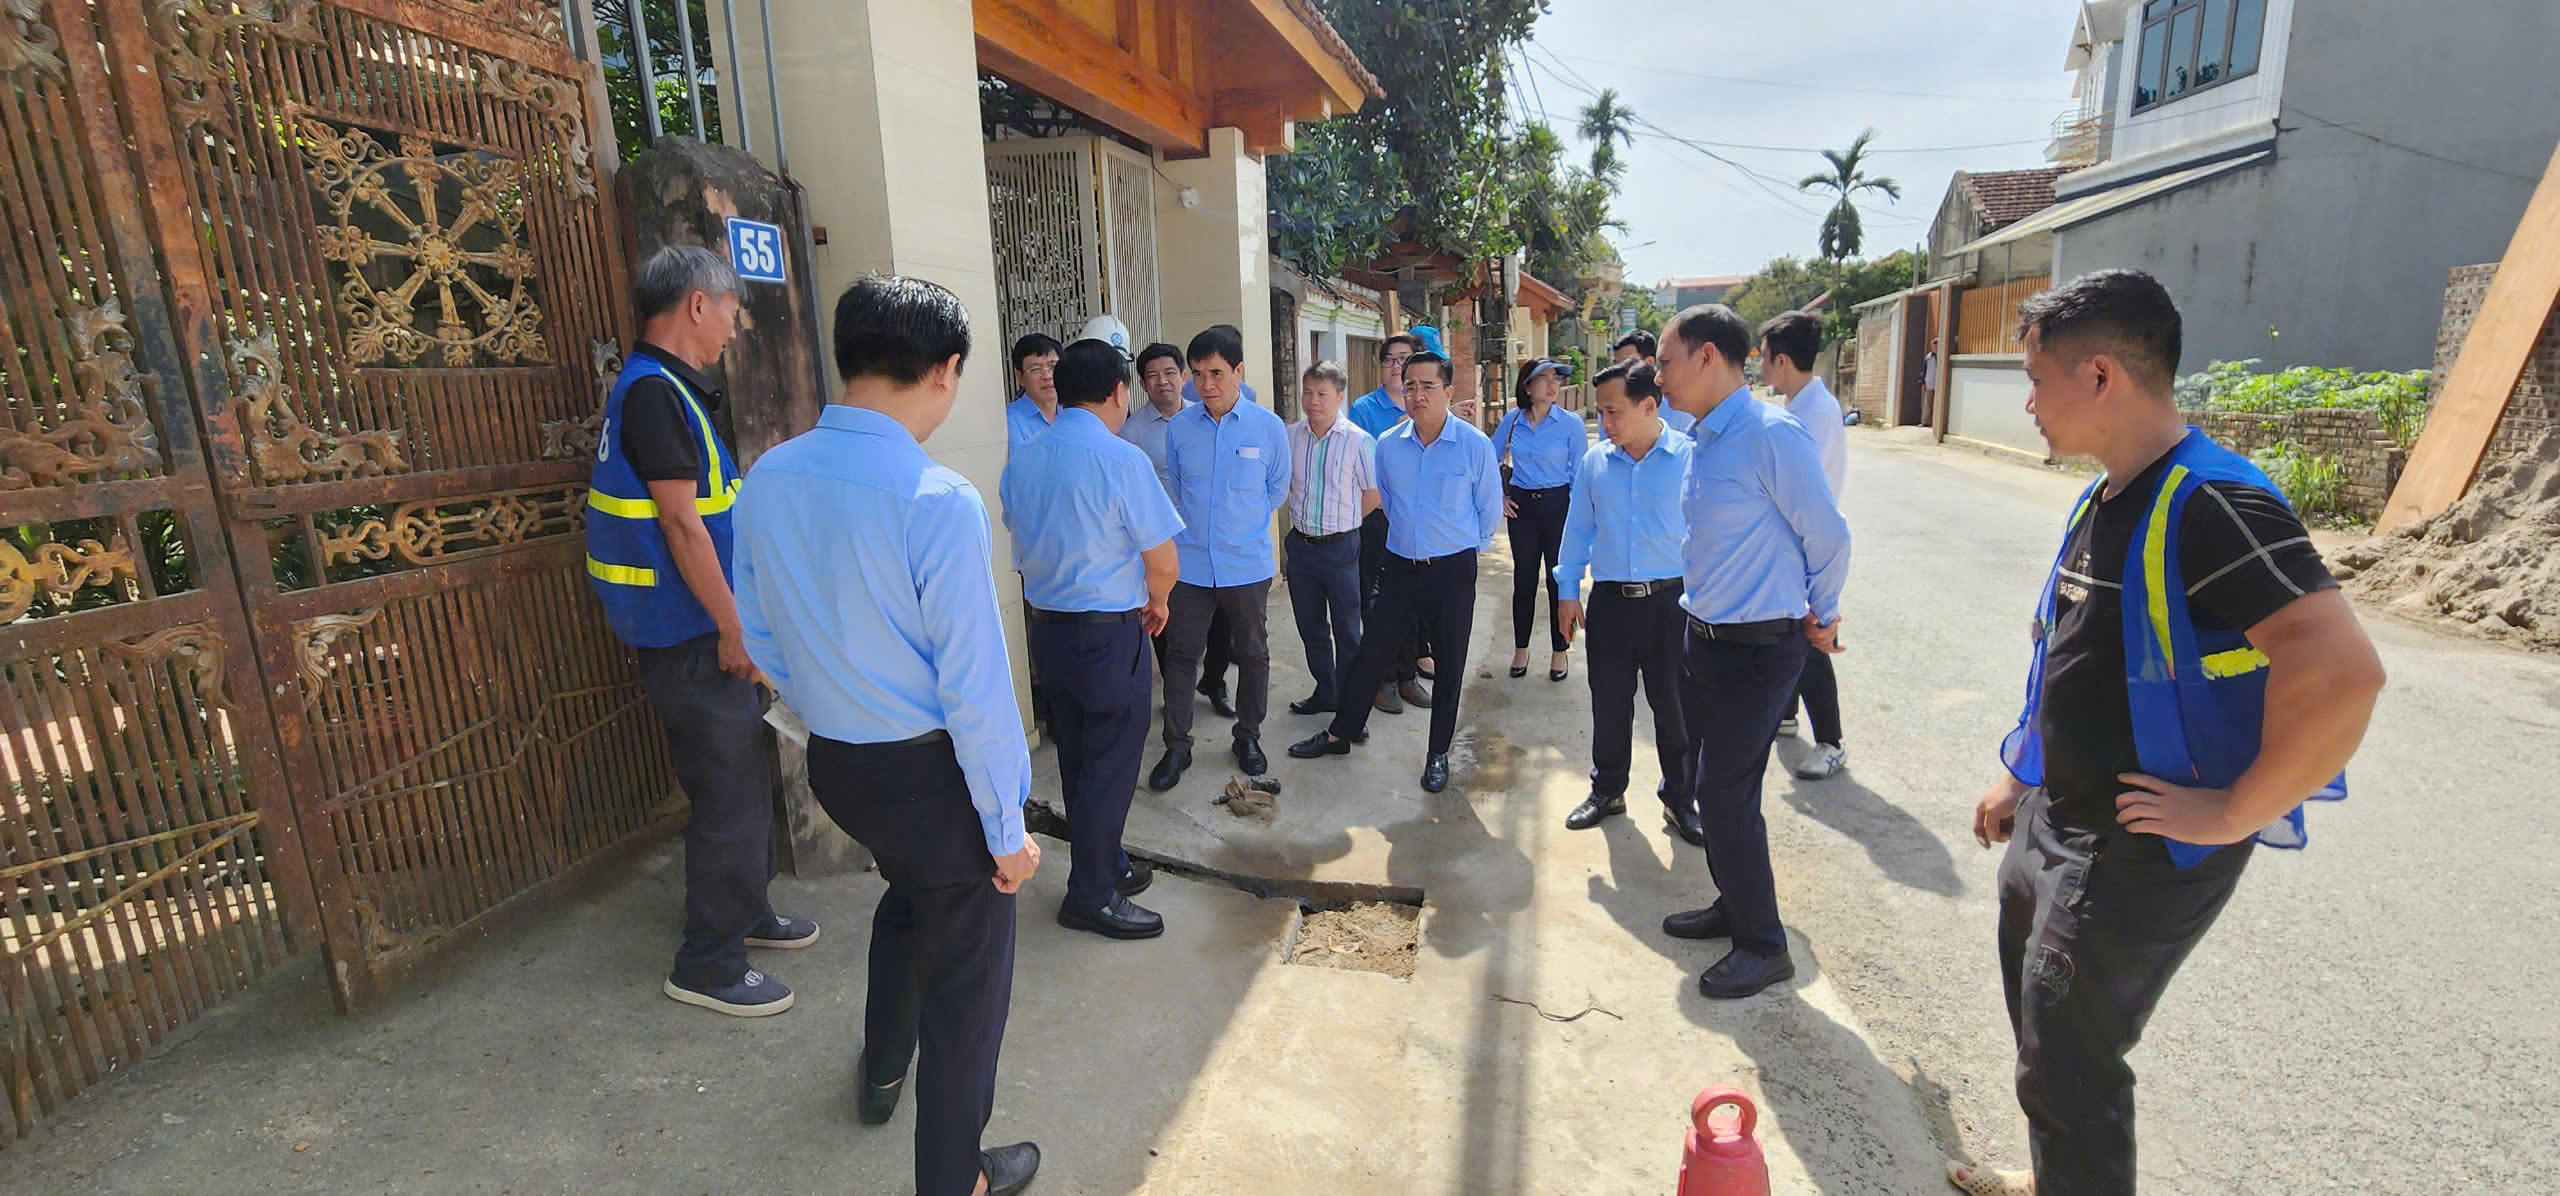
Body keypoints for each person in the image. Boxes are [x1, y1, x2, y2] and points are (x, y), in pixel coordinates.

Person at [1948, 270, 2383, 1196]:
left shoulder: (2212, 502)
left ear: (2100, 376)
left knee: (2073, 1067)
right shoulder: (2109, 495)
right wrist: (2021, 772)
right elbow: (2071, 649)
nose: (2026, 403)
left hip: (2135, 849)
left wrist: (2233, 812)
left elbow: (2346, 672)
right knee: (2046, 1043)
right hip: (2059, 815)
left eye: (2036, 380)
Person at [731, 276, 1043, 1196]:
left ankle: (880, 1072)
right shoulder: (934, 496)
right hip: (933, 783)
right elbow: (975, 688)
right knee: (968, 988)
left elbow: (757, 636)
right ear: (946, 370)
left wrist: (833, 697)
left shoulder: (769, 475)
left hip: (839, 767)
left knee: (909, 902)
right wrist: (1007, 828)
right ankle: (954, 1178)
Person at [584, 244, 815, 1019]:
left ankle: (747, 911)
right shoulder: (655, 394)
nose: (735, 327)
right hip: (689, 633)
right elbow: (682, 524)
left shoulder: (666, 388)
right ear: (696, 305)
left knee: (743, 780)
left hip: (696, 625)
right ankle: (709, 962)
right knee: (728, 797)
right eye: (731, 311)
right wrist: (733, 628)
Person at [1653, 303, 1849, 1001]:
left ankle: (1765, 945)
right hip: (1705, 639)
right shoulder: (1705, 437)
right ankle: (1734, 903)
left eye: (1666, 363)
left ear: (1707, 356)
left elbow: (1828, 533)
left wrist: (1824, 612)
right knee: (1717, 784)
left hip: (1760, 649)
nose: (1658, 378)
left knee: (1723, 793)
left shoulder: (1771, 434)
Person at [1001, 337, 1182, 943]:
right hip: (1106, 634)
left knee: (1079, 758)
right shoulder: (1121, 458)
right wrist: (1158, 602)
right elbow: (1163, 559)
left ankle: (1106, 862)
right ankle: (1092, 894)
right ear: (1118, 393)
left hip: (1048, 632)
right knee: (1110, 765)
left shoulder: (1024, 458)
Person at [1287, 351, 1502, 794]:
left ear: (1448, 391)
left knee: (1449, 662)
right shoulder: (1387, 444)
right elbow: (1383, 498)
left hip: (1452, 570)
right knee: (1371, 653)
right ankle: (1341, 733)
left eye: (1428, 386)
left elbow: (1488, 511)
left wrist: (1461, 552)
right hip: (1401, 566)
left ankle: (1438, 753)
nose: (1417, 395)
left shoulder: (1474, 445)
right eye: (1410, 386)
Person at [1551, 362, 1701, 844]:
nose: (1605, 423)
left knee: (1676, 708)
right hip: (1612, 603)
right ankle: (1608, 790)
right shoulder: (1596, 463)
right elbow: (1577, 529)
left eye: (1613, 412)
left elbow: (1710, 534)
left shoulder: (1689, 459)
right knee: (1610, 703)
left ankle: (1681, 798)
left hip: (1672, 603)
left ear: (1649, 406)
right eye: (1600, 412)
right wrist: (1568, 592)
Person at [1150, 325, 1290, 790]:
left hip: (1246, 565)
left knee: (1252, 653)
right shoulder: (1180, 428)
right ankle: (1177, 745)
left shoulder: (1268, 428)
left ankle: (1247, 737)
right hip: (1191, 566)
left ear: (1238, 371)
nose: (1205, 384)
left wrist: (1238, 524)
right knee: (1181, 654)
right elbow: (1177, 487)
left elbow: (1276, 488)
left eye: (1215, 373)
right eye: (1197, 374)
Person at [1758, 311, 1852, 781]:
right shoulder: (1802, 404)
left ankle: (1831, 742)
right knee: (1794, 634)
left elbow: (1805, 499)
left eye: (1763, 357)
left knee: (1811, 640)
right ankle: (1787, 714)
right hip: (1796, 543)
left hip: (1805, 545)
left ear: (1781, 360)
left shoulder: (1812, 413)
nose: (1759, 365)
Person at [1283, 360, 1381, 717]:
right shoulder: (1290, 436)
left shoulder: (1358, 441)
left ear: (1340, 396)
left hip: (1341, 548)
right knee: (1310, 627)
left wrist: (1346, 522)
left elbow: (1373, 494)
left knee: (1347, 630)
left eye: (1322, 394)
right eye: (1308, 392)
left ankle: (1351, 708)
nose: (1313, 401)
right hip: (1301, 547)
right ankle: (1326, 691)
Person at [1347, 334, 1435, 716]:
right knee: (1377, 601)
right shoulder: (1365, 408)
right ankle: (1381, 680)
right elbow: (1361, 465)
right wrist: (1399, 430)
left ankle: (1406, 674)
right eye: (1390, 360)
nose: (1397, 367)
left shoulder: (1428, 404)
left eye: (1405, 359)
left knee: (1413, 598)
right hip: (1377, 516)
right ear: (1380, 366)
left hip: (1417, 518)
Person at [1493, 357, 1590, 683]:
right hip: (1522, 507)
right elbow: (1488, 459)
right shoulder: (1512, 420)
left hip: (1558, 505)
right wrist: (1500, 497)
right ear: (1527, 385)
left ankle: (1560, 650)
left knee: (1558, 580)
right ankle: (1521, 649)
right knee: (1523, 581)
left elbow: (1579, 474)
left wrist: (1577, 517)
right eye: (1544, 378)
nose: (1553, 385)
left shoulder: (1571, 423)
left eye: (1556, 379)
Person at [1616, 329, 1692, 433]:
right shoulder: (1610, 404)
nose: (1619, 369)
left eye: (1626, 362)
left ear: (1649, 362)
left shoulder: (1678, 404)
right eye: (1616, 364)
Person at [1005, 333, 1062, 448]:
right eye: (1036, 369)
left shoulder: (1074, 410)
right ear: (1019, 377)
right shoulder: (1009, 419)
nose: (1047, 376)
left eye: (1053, 367)